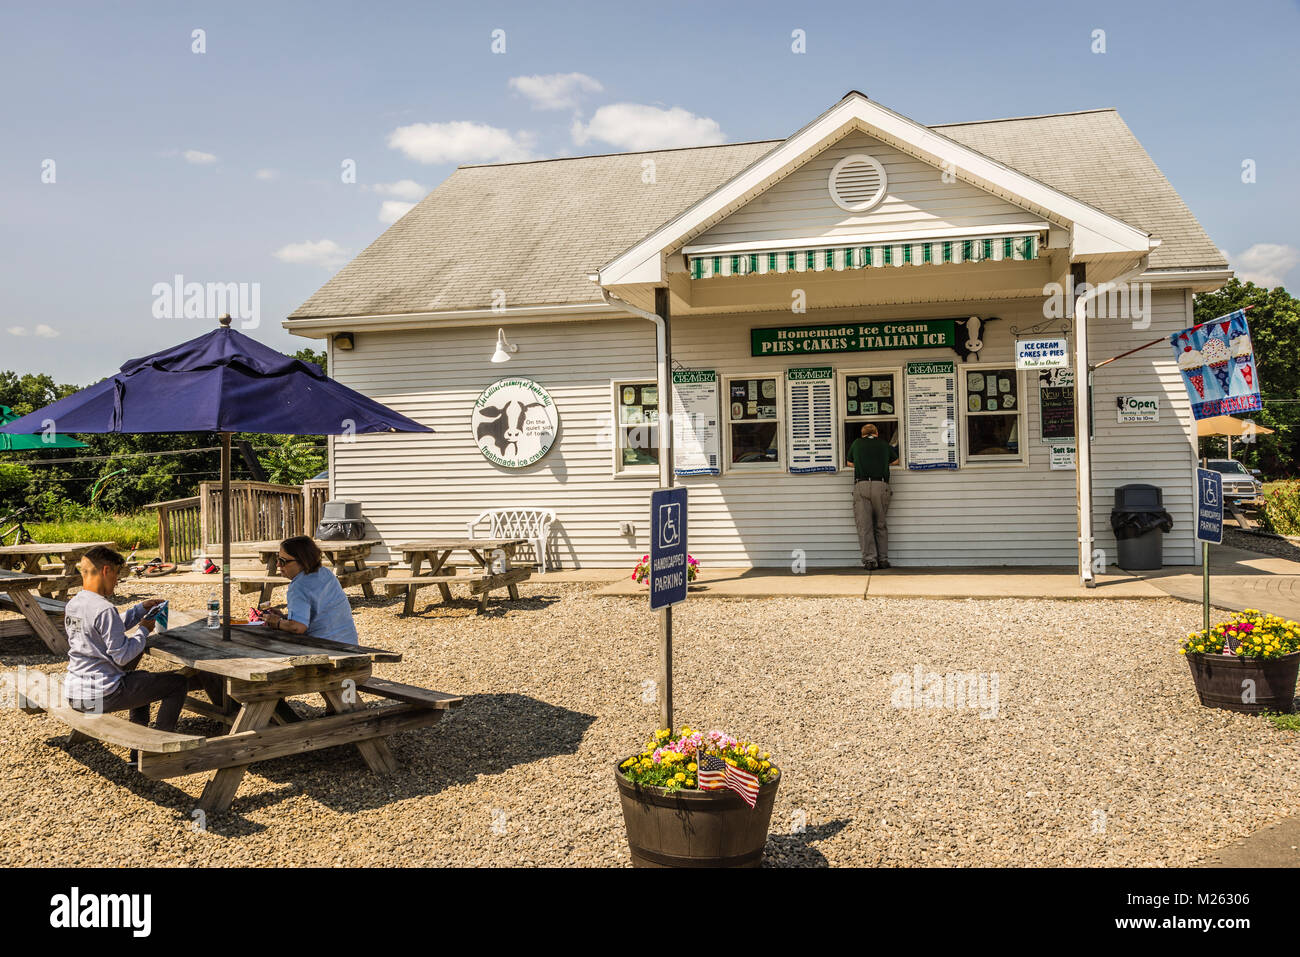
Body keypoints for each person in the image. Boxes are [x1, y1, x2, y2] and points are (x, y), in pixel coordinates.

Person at [64, 545, 189, 732]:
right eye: (116, 575)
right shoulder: (104, 608)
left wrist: (139, 610)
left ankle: (137, 754)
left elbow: (104, 629)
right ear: (106, 571)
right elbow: (122, 656)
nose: (116, 582)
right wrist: (144, 630)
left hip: (75, 692)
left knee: (142, 679)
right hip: (101, 694)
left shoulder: (75, 603)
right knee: (179, 683)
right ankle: (160, 745)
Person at [259, 536, 358, 645]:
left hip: (326, 647)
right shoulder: (325, 573)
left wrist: (277, 622)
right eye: (278, 559)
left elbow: (298, 628)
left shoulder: (298, 586)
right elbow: (320, 614)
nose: (278, 564)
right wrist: (286, 617)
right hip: (349, 642)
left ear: (302, 561)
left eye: (283, 561)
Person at [846, 423, 894, 570]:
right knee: (880, 524)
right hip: (881, 484)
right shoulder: (884, 444)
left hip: (862, 484)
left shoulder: (857, 443)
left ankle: (870, 560)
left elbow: (849, 463)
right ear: (876, 433)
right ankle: (883, 559)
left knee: (865, 525)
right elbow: (895, 461)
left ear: (862, 434)